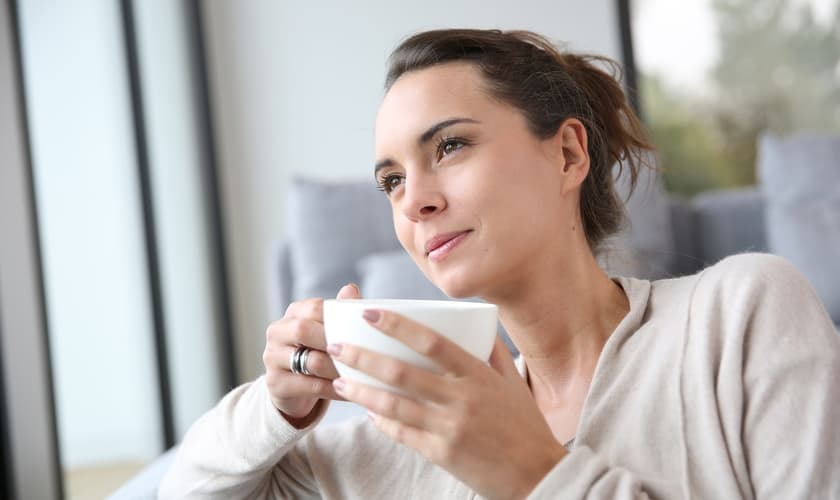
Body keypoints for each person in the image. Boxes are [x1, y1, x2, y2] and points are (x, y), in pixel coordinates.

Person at [159, 29, 840, 499]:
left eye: (450, 146)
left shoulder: (740, 315)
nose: (415, 200)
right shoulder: (412, 437)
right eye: (391, 181)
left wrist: (534, 474)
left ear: (568, 155)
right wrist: (275, 408)